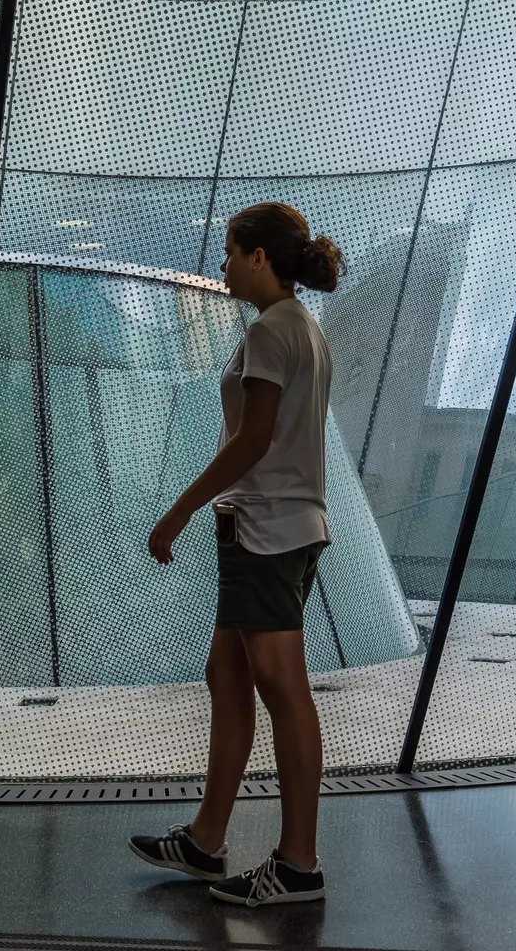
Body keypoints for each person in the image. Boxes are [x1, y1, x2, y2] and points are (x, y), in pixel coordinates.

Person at [128, 201, 343, 907]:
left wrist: (179, 510)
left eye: (229, 251)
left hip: (265, 530)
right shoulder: (303, 330)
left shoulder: (270, 331)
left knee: (283, 688)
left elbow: (252, 441)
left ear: (259, 257)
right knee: (228, 674)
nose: (222, 265)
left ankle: (299, 865)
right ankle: (205, 839)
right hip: (288, 524)